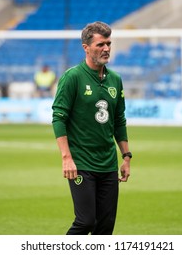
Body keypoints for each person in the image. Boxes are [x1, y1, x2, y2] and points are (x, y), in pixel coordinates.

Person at [52, 21, 132, 235]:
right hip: (82, 163)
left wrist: (126, 156)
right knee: (85, 222)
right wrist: (66, 157)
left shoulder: (115, 79)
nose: (106, 48)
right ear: (86, 48)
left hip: (108, 164)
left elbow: (119, 120)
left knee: (105, 228)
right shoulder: (73, 77)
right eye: (100, 45)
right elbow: (58, 118)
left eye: (108, 43)